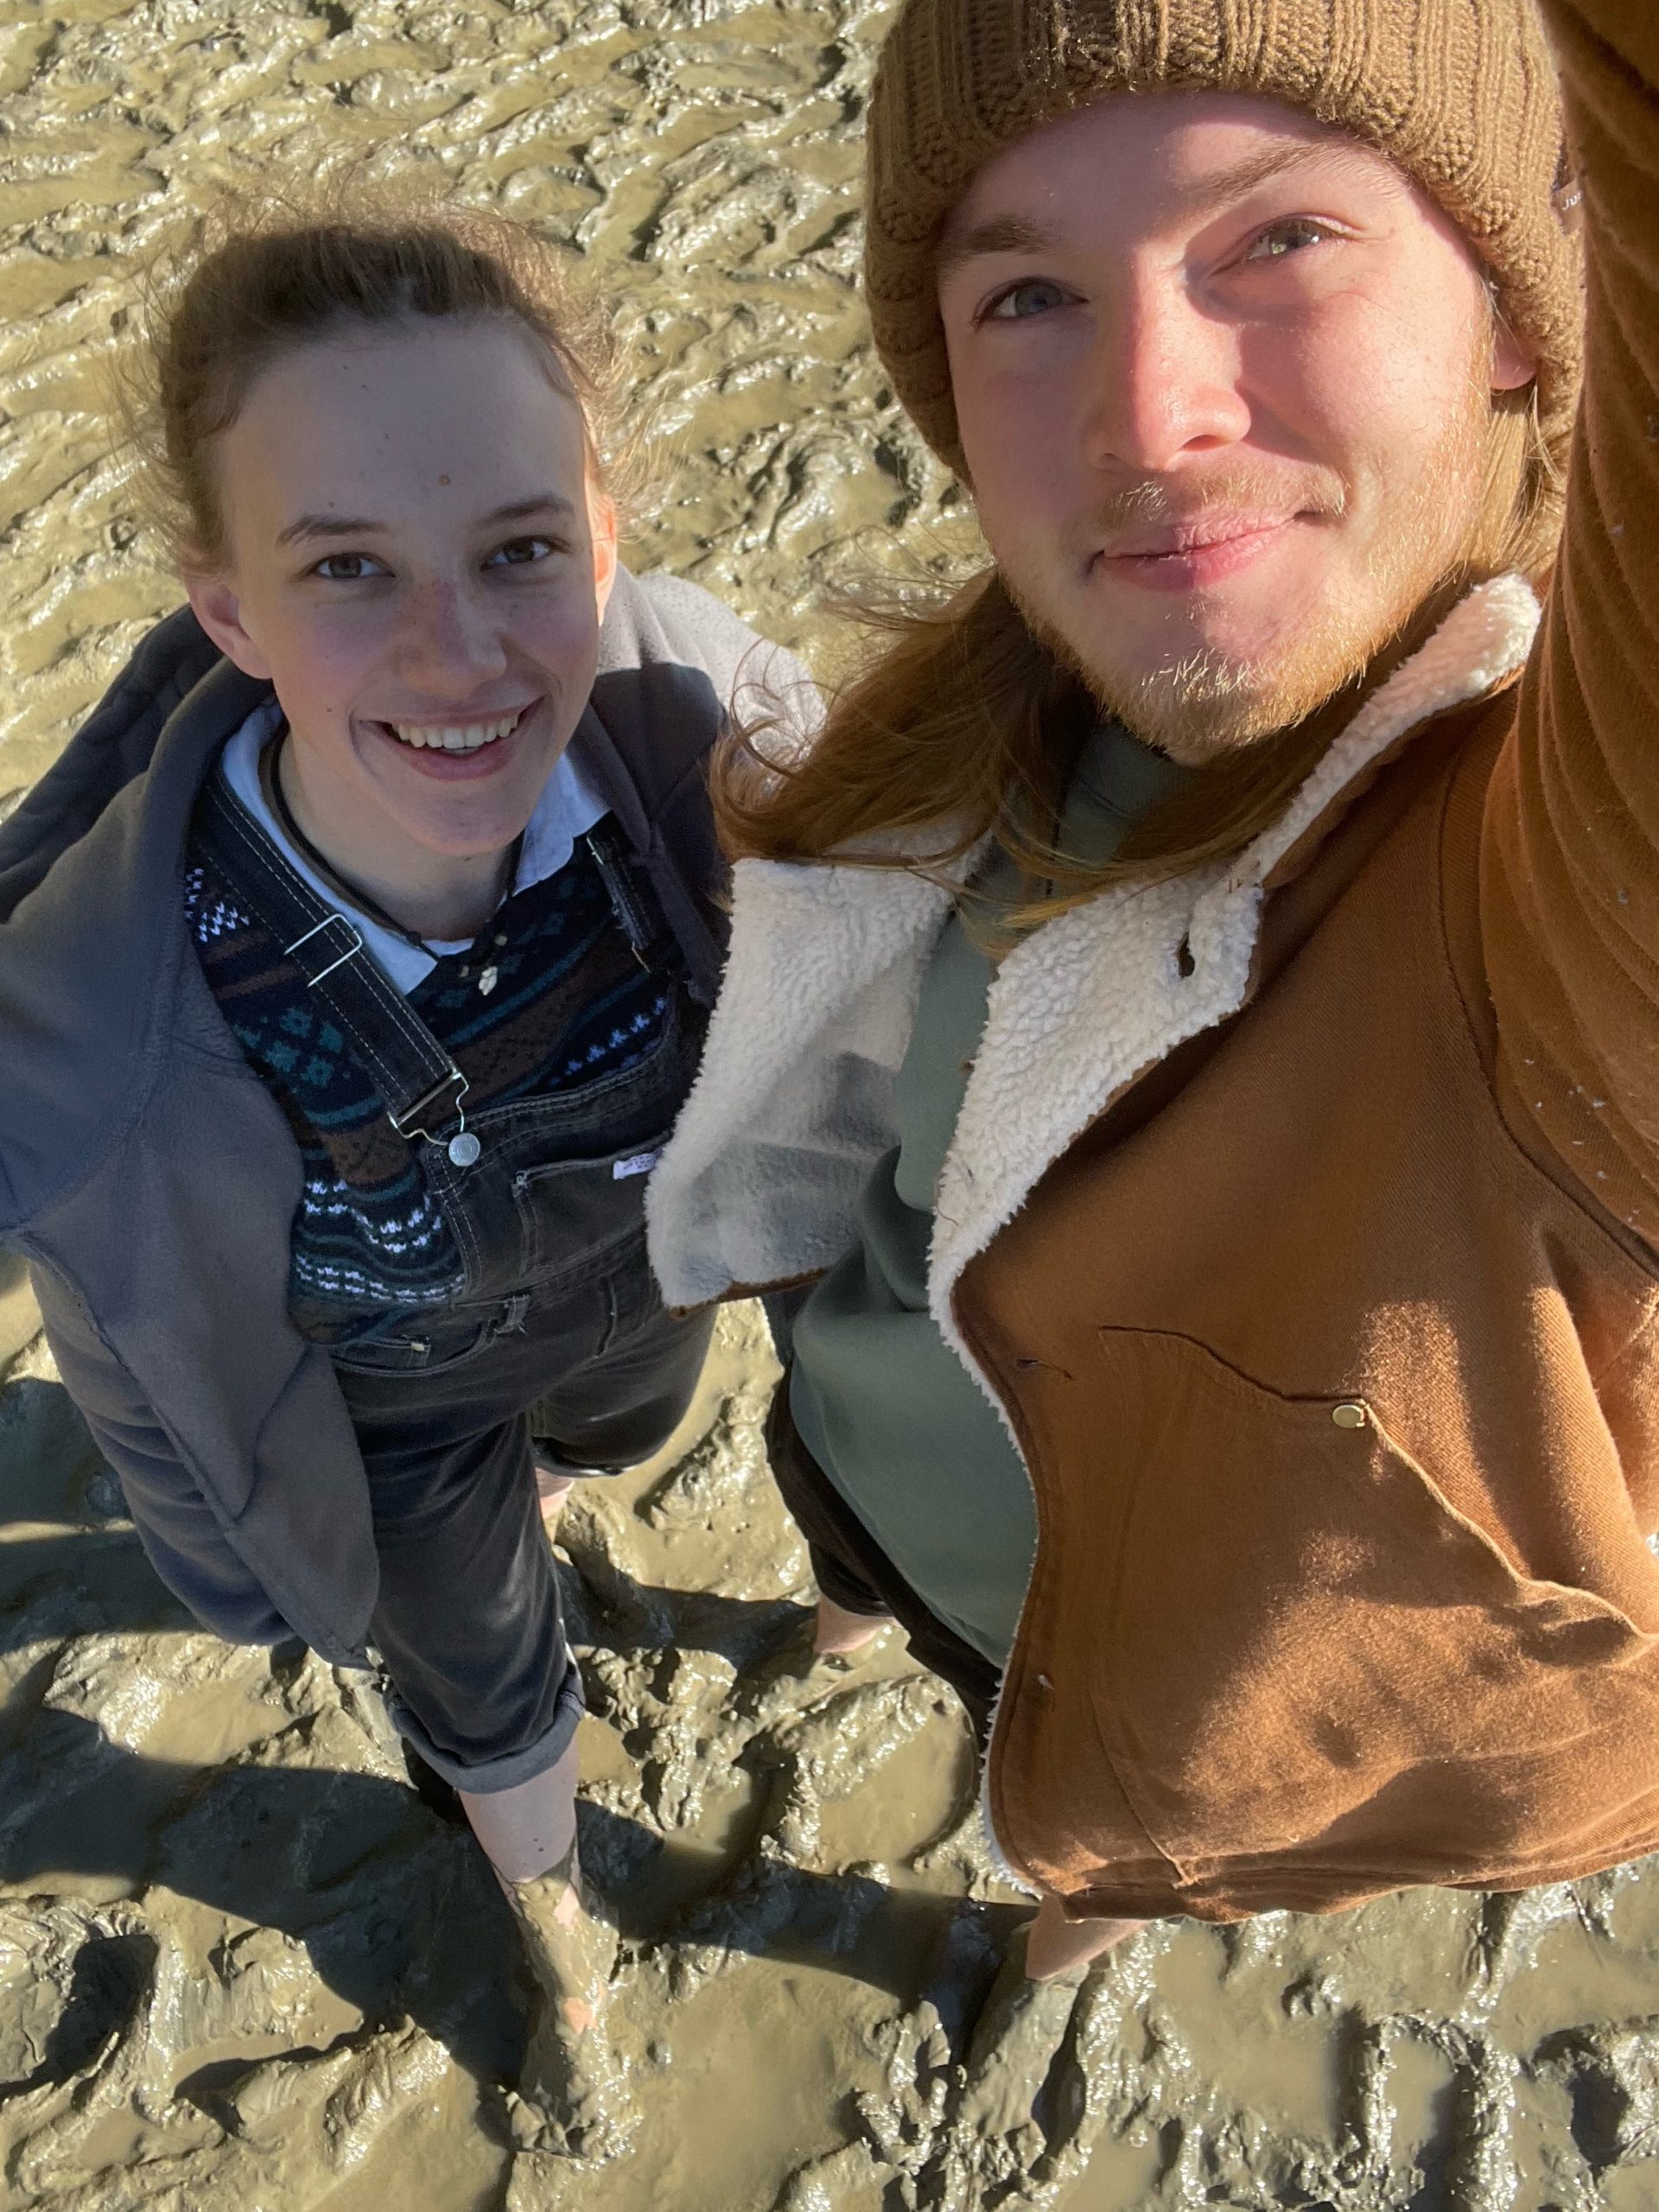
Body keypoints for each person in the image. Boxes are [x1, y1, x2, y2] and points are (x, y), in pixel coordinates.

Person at [646, 0, 1659, 1999]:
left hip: (1152, 1695)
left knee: (1103, 1826)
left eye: (1280, 238)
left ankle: (1093, 1896)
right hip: (864, 1431)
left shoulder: (1571, 903)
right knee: (857, 1559)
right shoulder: (1019, 690)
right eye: (1027, 294)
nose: (1150, 417)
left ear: (1521, 294)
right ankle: (852, 1599)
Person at [0, 184, 804, 2147]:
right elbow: (115, 1312)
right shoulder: (110, 1006)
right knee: (492, 1704)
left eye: (518, 549)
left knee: (614, 1437)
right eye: (348, 567)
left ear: (602, 538)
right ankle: (563, 1940)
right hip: (399, 1406)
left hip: (645, 1284)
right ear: (229, 610)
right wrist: (230, 1556)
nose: (458, 658)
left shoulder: (711, 744)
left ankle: (571, 1477)